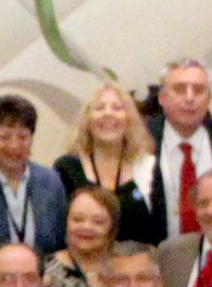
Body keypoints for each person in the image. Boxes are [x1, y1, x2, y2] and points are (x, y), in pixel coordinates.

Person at [55, 82, 167, 246]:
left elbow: (160, 231)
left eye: (117, 108)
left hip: (136, 267)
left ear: (129, 119)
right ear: (87, 120)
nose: (108, 114)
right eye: (99, 108)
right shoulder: (66, 168)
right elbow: (58, 232)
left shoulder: (148, 166)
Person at [149, 59, 212, 239]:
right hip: (155, 254)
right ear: (162, 98)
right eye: (179, 89)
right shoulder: (141, 138)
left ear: (208, 99)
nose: (189, 98)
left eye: (199, 90)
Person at [0, 94, 68, 255]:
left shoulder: (51, 181)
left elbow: (61, 241)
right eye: (4, 137)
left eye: (22, 136)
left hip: (44, 276)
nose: (14, 145)